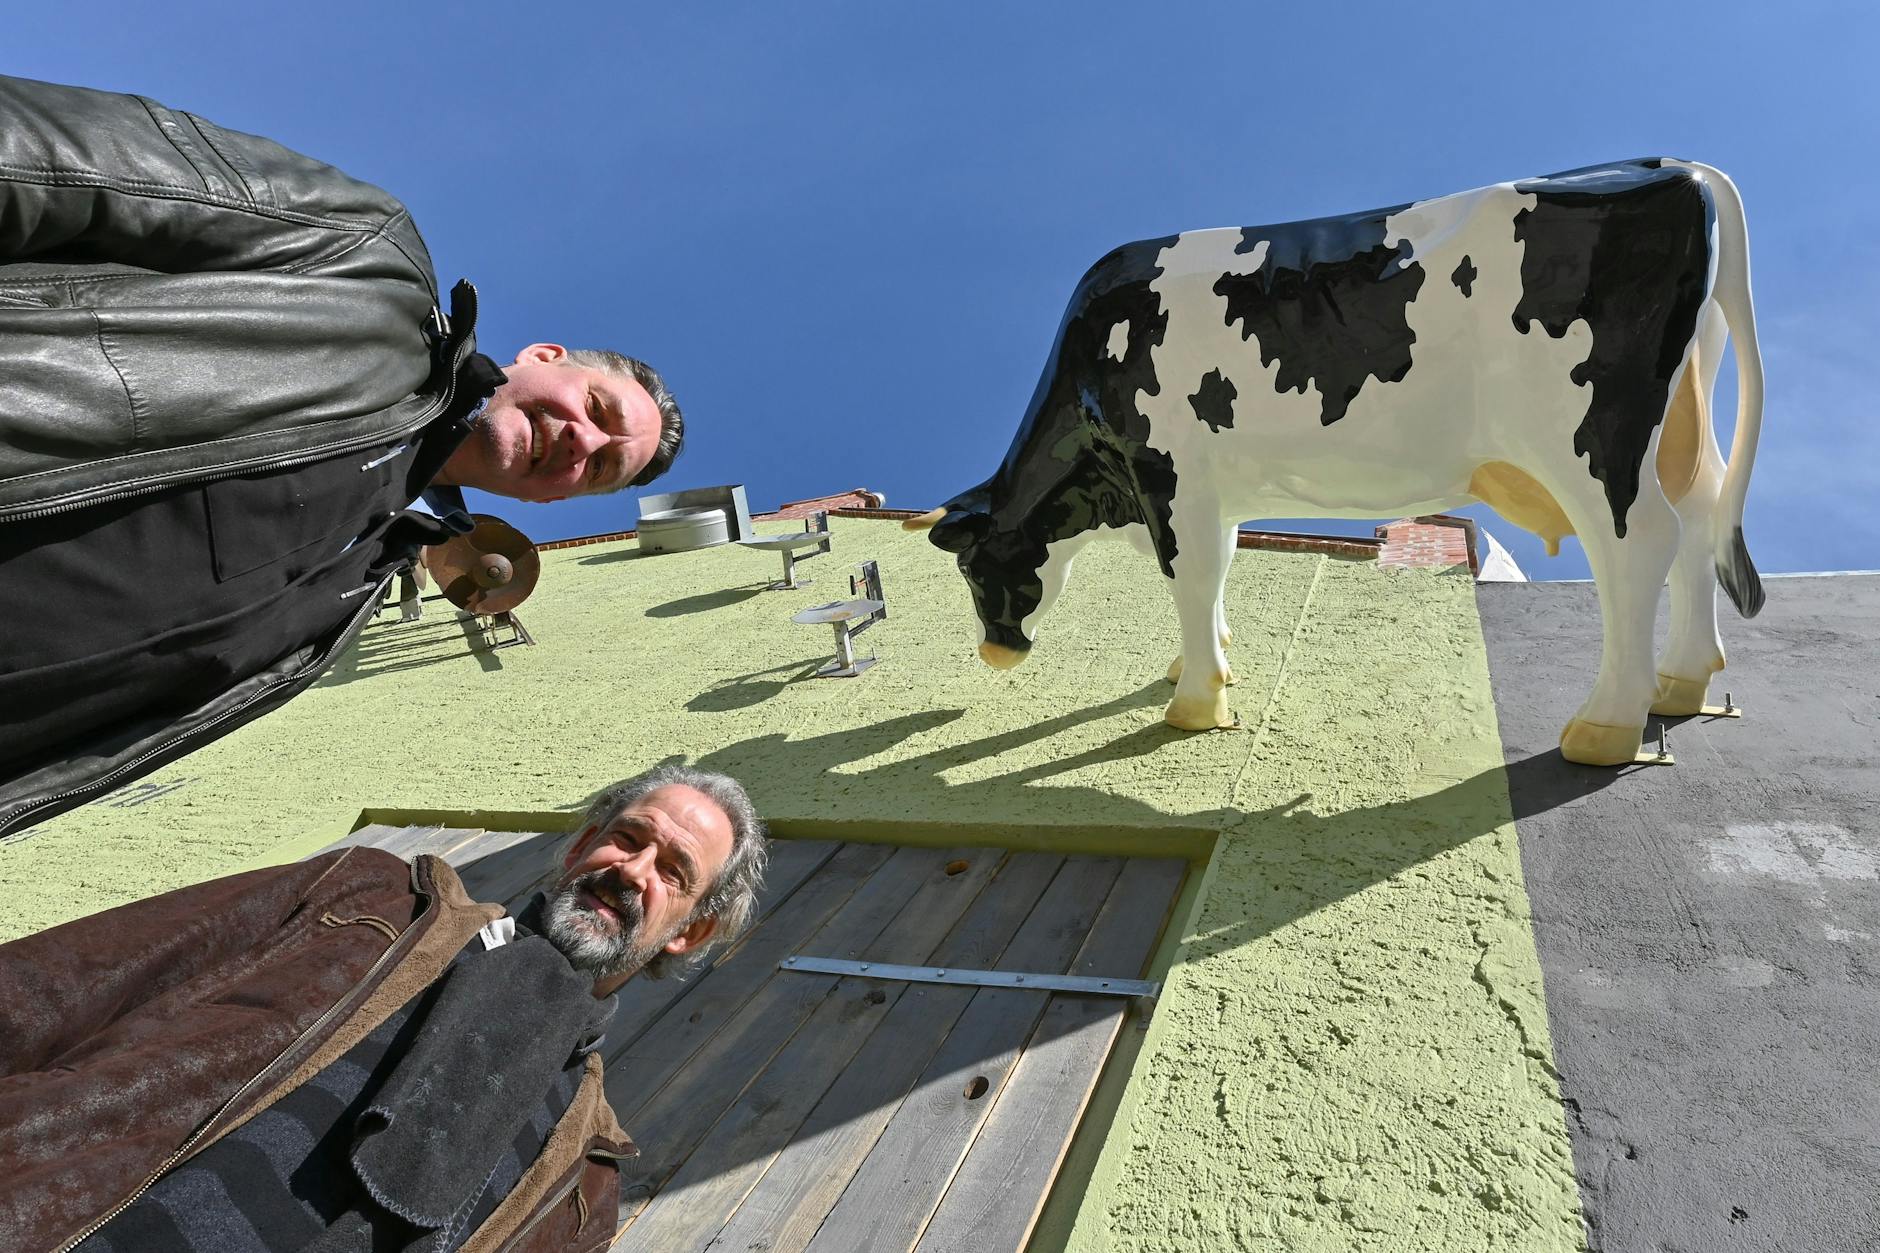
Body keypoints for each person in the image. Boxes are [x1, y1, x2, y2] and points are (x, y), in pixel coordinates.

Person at [0, 73, 685, 838]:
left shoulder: (349, 601)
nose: (581, 442)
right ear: (546, 353)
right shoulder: (365, 260)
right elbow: (53, 163)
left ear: (549, 504)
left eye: (598, 467)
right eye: (596, 410)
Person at [0, 764, 768, 1253]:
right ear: (578, 852)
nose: (631, 871)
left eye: (672, 870)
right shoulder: (366, 896)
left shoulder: (585, 1184)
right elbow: (69, 980)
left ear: (690, 930)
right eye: (627, 839)